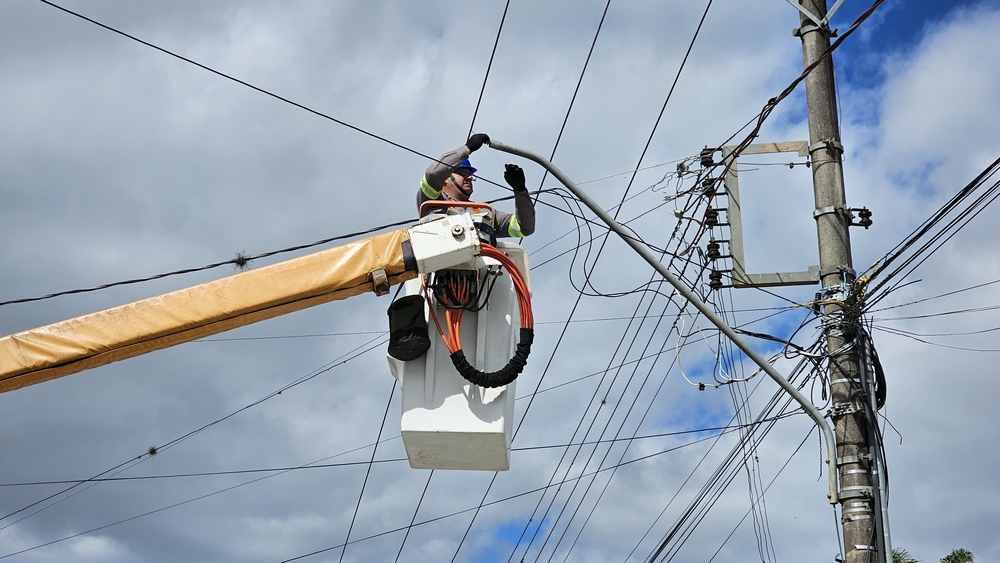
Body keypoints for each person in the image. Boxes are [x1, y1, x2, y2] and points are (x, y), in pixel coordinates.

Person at [416, 133, 535, 238]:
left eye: (470, 174)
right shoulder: (433, 202)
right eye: (462, 173)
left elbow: (525, 228)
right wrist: (467, 149)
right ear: (445, 179)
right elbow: (433, 174)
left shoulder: (485, 211)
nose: (469, 177)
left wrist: (520, 191)